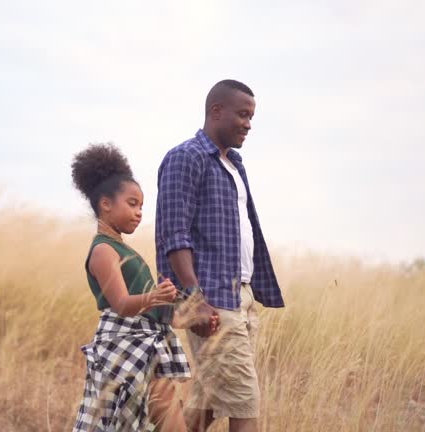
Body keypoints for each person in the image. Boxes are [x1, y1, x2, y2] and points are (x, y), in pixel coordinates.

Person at [155, 79, 285, 432]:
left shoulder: (234, 165)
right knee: (246, 401)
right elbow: (174, 233)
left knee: (210, 403)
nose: (248, 124)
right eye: (242, 114)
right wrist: (194, 299)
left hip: (240, 297)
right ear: (216, 111)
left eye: (251, 117)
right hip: (212, 300)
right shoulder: (186, 157)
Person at [71, 143, 200, 431]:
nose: (139, 212)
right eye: (132, 204)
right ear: (106, 204)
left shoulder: (120, 248)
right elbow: (121, 304)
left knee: (157, 416)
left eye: (141, 206)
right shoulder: (104, 250)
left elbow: (152, 314)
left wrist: (191, 317)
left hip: (145, 343)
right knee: (137, 420)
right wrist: (154, 296)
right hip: (123, 344)